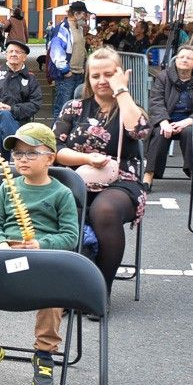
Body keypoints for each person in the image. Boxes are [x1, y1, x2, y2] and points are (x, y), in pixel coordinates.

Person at [0, 122, 80, 385]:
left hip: (43, 256)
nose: (22, 159)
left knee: (55, 292)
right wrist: (0, 243)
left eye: (31, 153)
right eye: (17, 154)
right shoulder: (7, 187)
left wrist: (42, 244)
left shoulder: (61, 193)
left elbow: (70, 236)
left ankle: (44, 352)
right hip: (9, 251)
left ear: (50, 157)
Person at [54, 47, 150, 299]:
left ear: (120, 74)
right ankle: (66, 288)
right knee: (60, 208)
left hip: (121, 182)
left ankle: (99, 290)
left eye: (108, 74)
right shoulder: (73, 108)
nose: (101, 81)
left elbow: (139, 131)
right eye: (95, 75)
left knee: (103, 211)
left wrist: (122, 91)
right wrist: (86, 158)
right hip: (77, 178)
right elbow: (56, 149)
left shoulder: (129, 106)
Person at [142, 45, 193, 194]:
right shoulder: (163, 77)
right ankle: (148, 177)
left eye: (189, 58)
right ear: (175, 61)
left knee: (190, 133)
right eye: (181, 57)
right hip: (166, 120)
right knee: (160, 133)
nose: (184, 60)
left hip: (190, 122)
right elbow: (156, 102)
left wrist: (188, 121)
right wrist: (164, 122)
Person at [48, 0, 89, 118]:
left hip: (78, 74)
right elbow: (56, 50)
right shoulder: (63, 28)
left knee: (76, 109)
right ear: (76, 14)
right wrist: (65, 70)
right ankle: (56, 135)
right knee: (62, 107)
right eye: (84, 14)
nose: (85, 17)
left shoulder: (79, 29)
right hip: (68, 75)